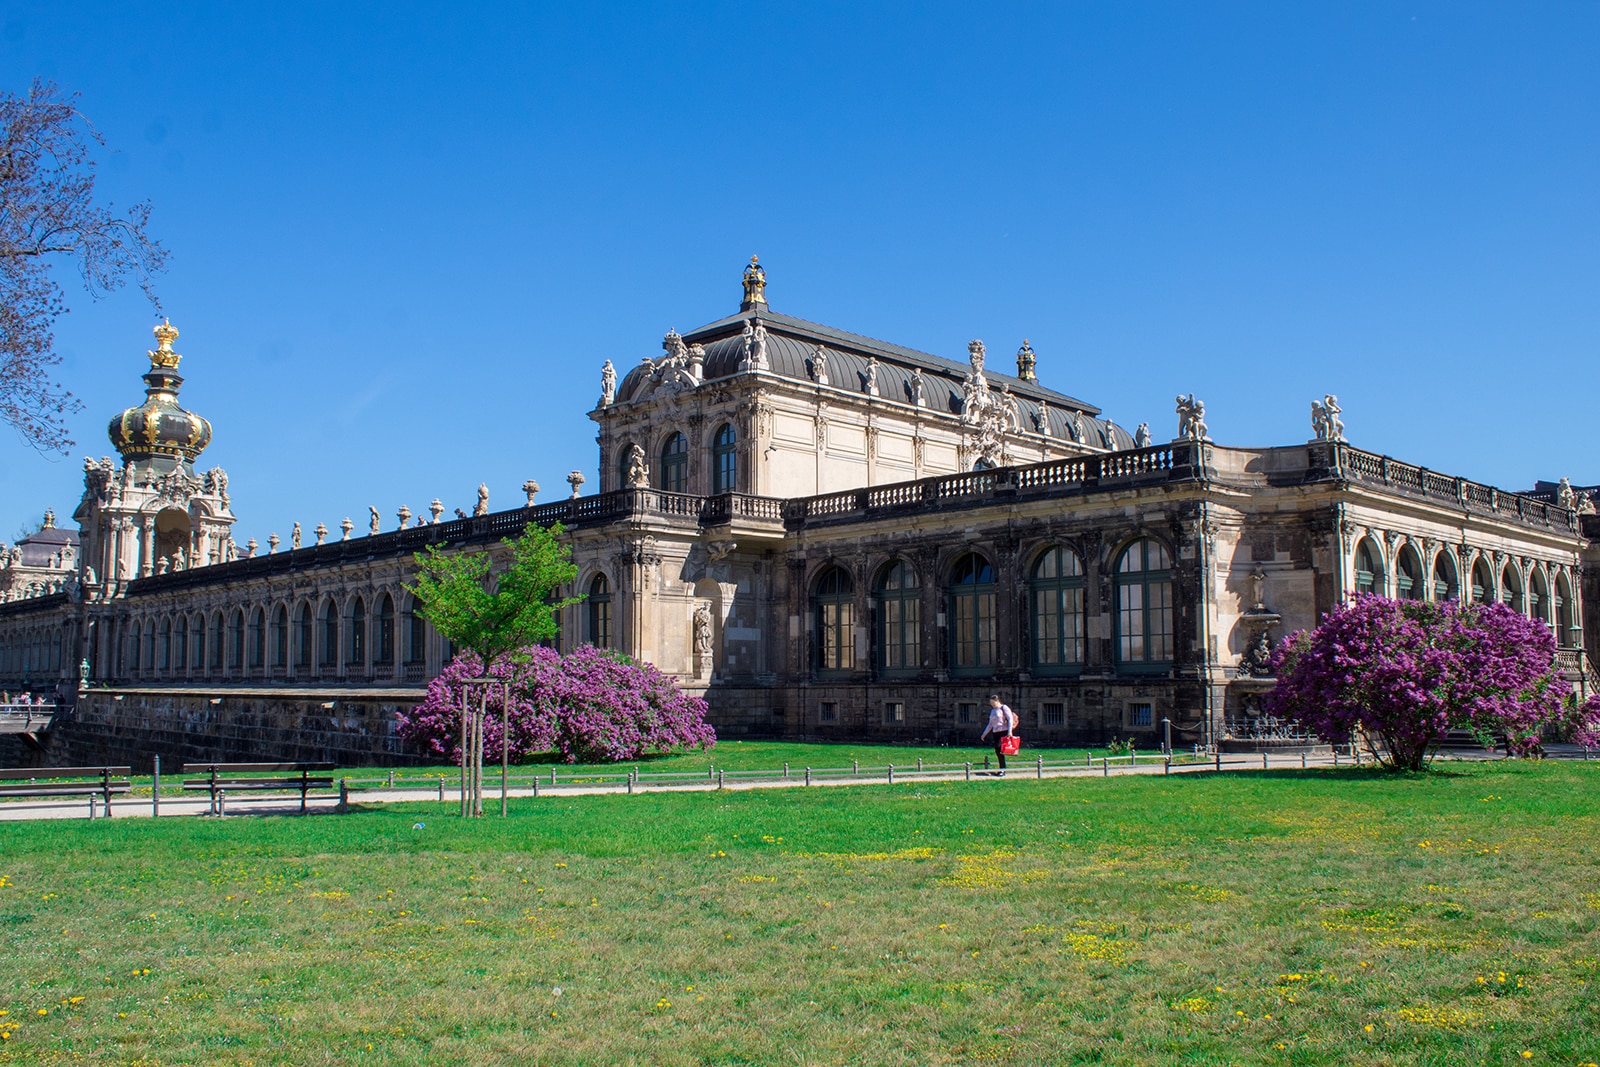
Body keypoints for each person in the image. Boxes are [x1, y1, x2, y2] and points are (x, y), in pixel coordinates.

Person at [979, 693, 1017, 775]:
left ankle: (1002, 769)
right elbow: (990, 724)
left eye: (993, 703)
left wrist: (1009, 731)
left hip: (1003, 731)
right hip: (995, 732)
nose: (992, 705)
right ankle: (1002, 768)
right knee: (997, 750)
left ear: (998, 701)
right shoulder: (993, 711)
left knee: (999, 749)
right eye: (991, 703)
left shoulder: (1004, 708)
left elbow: (1010, 719)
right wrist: (984, 734)